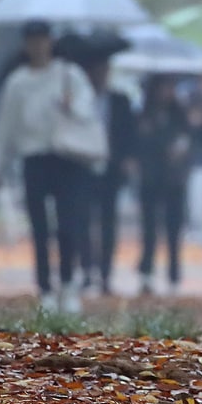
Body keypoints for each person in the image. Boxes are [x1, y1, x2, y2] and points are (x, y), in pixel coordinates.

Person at [0, 20, 102, 314]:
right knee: (39, 226)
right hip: (34, 159)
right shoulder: (18, 82)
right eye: (33, 40)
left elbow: (87, 108)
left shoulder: (69, 74)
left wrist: (70, 104)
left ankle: (68, 285)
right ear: (26, 44)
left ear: (51, 41)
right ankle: (45, 288)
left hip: (67, 159)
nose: (38, 45)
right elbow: (6, 129)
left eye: (43, 39)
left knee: (68, 225)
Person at [79, 54, 136, 297]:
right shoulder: (79, 100)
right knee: (82, 221)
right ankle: (85, 270)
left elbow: (127, 133)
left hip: (111, 170)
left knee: (108, 222)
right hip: (84, 167)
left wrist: (126, 159)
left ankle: (105, 273)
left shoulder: (120, 101)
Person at [134, 75, 193, 296]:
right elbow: (137, 144)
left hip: (173, 180)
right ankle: (146, 272)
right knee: (149, 228)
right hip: (150, 179)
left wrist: (181, 150)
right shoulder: (144, 116)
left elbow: (190, 139)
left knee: (173, 229)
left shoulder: (179, 115)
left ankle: (174, 275)